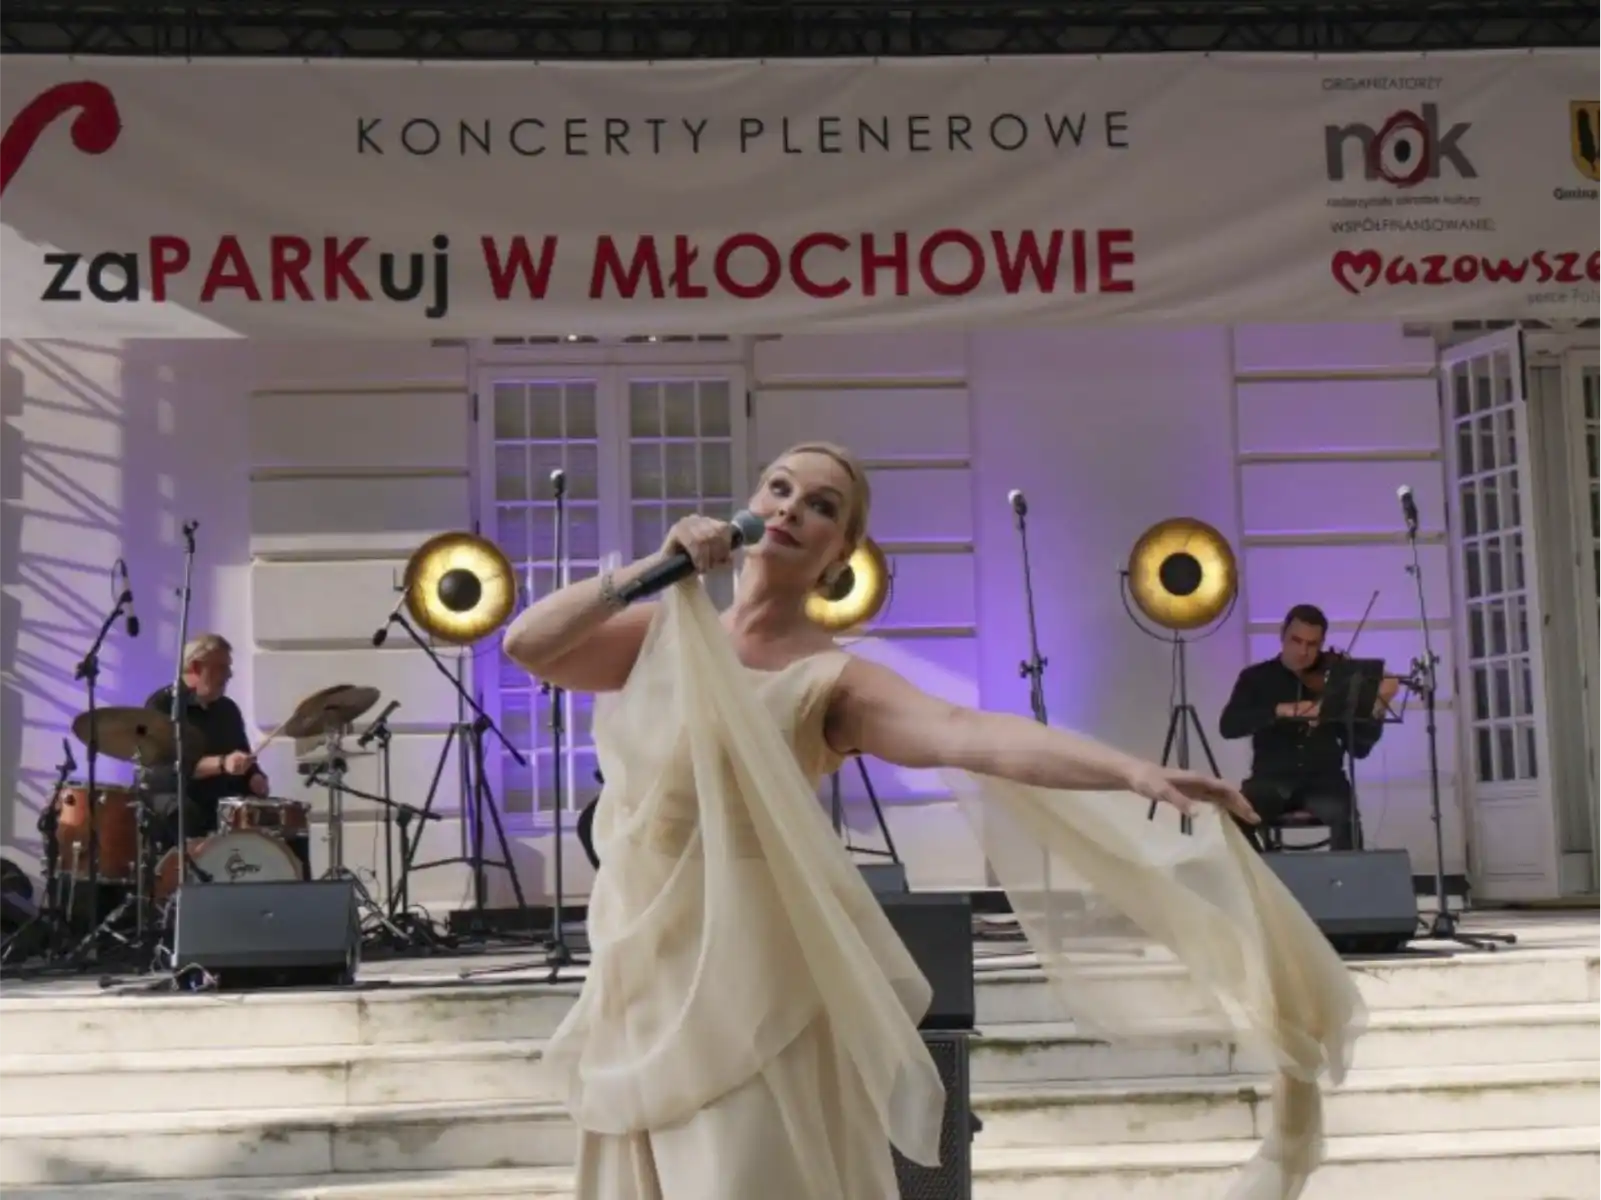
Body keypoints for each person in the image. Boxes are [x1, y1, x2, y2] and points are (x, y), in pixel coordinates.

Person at [504, 442, 1364, 1200]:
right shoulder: (660, 631)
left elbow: (966, 732)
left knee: (742, 1172)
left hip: (751, 966)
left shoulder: (834, 679)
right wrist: (654, 567)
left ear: (840, 556)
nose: (791, 510)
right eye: (778, 489)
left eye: (821, 506)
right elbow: (529, 646)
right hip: (642, 956)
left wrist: (1128, 769)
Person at [1219, 604, 1384, 851]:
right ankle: (1260, 873)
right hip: (1269, 781)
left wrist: (1375, 710)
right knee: (1237, 816)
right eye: (1296, 641)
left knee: (1346, 818)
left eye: (1312, 644)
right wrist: (1278, 710)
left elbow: (1359, 749)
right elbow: (1229, 726)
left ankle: (1345, 876)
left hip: (1324, 783)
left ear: (1322, 643)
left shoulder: (1336, 681)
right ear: (1282, 635)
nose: (1303, 652)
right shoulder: (1255, 678)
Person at [144, 633, 269, 847]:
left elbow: (244, 755)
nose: (229, 674)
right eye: (221, 667)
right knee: (185, 812)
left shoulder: (227, 709)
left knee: (277, 823)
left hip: (223, 803)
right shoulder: (164, 705)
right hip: (183, 798)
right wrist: (222, 763)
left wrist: (255, 776)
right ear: (196, 667)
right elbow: (166, 768)